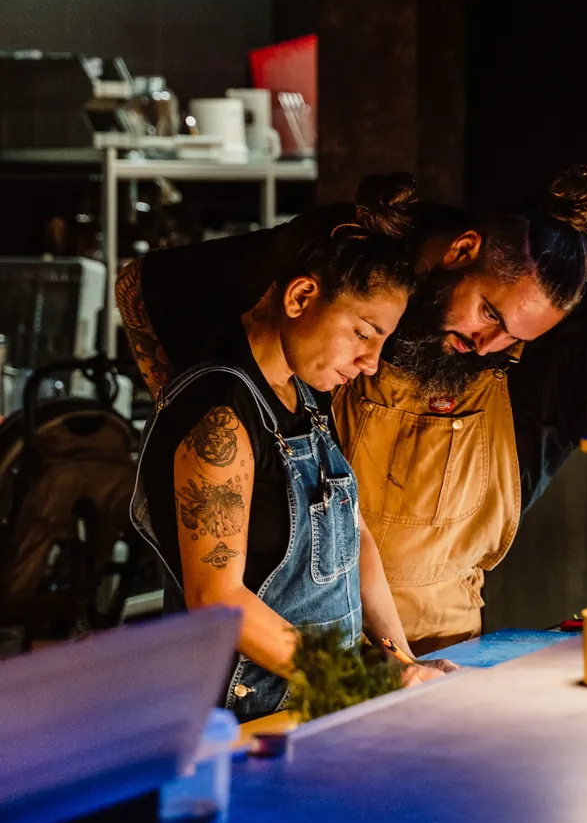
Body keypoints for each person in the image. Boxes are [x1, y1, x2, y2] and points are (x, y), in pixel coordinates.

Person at [120, 165, 587, 657]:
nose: (491, 346)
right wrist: (219, 439)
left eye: (515, 340)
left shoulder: (539, 352)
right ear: (462, 250)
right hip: (275, 665)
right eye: (489, 315)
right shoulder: (338, 273)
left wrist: (394, 669)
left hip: (424, 655)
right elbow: (142, 287)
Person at [128, 174, 448, 721]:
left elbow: (355, 536)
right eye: (365, 332)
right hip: (242, 719)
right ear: (302, 296)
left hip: (320, 699)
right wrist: (357, 678)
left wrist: (403, 663)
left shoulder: (306, 390)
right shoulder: (221, 416)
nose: (371, 362)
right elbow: (218, 599)